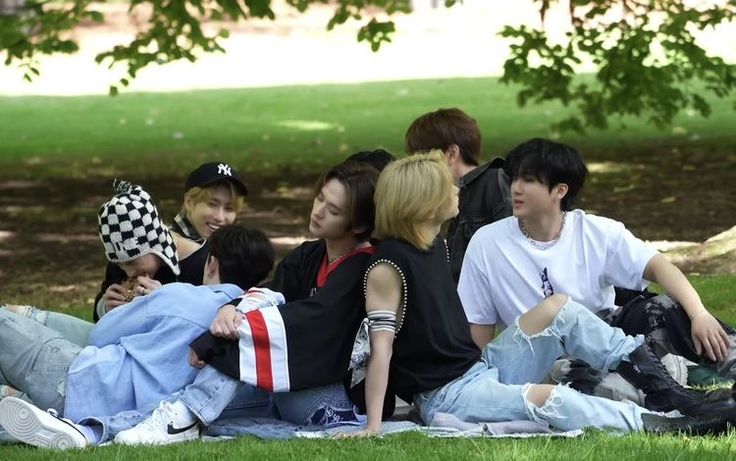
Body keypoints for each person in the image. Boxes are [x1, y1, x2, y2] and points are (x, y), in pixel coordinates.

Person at [352, 152, 735, 437]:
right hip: (446, 397)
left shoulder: (437, 244)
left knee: (559, 308)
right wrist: (373, 425)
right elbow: (379, 350)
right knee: (551, 397)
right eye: (445, 185)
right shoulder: (388, 267)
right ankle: (668, 425)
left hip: (478, 369)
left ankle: (675, 395)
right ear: (423, 199)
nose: (457, 188)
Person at [107, 160, 382, 445]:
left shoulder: (364, 268)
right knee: (191, 400)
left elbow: (313, 318)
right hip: (287, 385)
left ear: (359, 223)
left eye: (333, 210)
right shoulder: (310, 255)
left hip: (331, 400)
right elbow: (272, 291)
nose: (319, 211)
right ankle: (97, 428)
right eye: (320, 197)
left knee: (240, 351)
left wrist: (222, 338)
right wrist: (232, 308)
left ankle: (182, 419)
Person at [457, 138, 736, 398]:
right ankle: (666, 381)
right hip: (541, 355)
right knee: (568, 377)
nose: (515, 188)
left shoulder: (596, 231)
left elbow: (661, 268)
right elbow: (477, 326)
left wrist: (699, 314)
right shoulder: (487, 242)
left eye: (528, 180)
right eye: (514, 178)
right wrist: (475, 382)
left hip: (607, 336)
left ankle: (713, 364)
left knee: (662, 308)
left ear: (560, 190)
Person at [0, 224, 275, 449]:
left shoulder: (180, 296)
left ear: (211, 263)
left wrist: (142, 303)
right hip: (117, 414)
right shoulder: (253, 329)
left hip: (80, 380)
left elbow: (99, 334)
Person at [404, 107, 511, 282]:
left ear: (452, 154)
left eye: (423, 157)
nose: (418, 165)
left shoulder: (495, 182)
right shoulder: (440, 195)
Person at [172, 161, 248, 241]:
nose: (220, 217)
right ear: (189, 202)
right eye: (212, 204)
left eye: (229, 208)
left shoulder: (229, 247)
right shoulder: (166, 246)